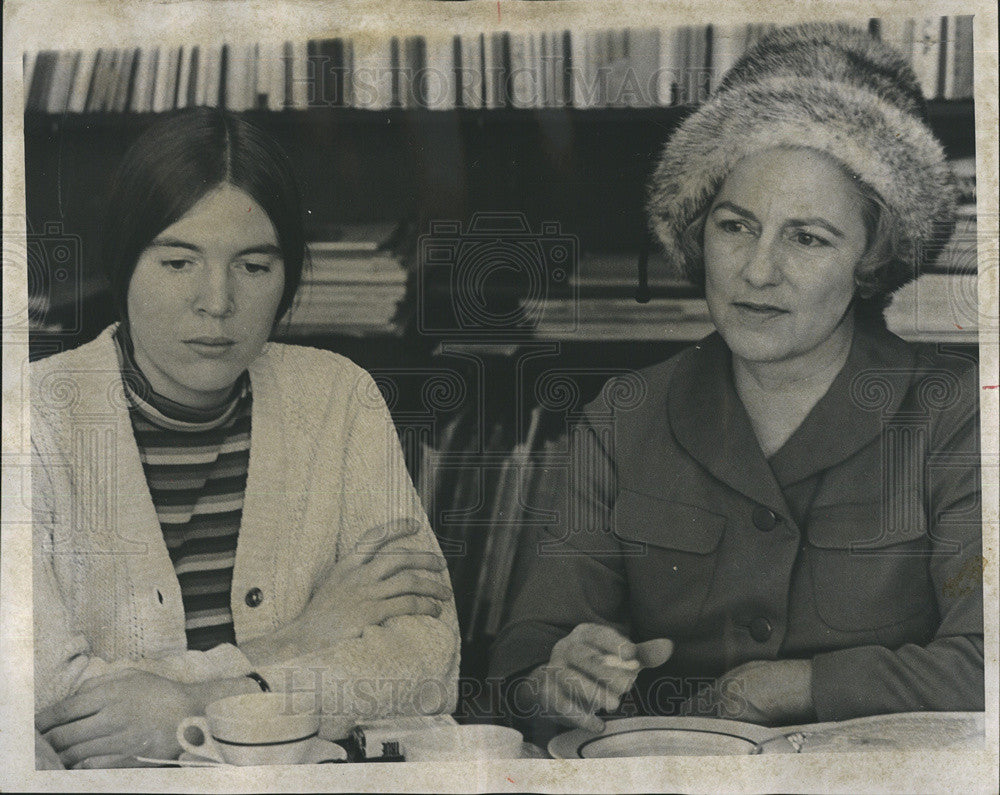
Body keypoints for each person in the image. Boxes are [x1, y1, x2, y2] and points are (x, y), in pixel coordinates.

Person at [490, 23, 983, 741]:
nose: (757, 270)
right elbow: (521, 665)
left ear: (873, 259)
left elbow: (987, 663)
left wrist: (796, 686)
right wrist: (557, 679)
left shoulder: (957, 412)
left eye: (807, 237)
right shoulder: (624, 415)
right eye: (735, 226)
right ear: (697, 231)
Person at [32, 108, 459, 768]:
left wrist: (198, 704)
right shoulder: (28, 420)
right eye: (178, 261)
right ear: (122, 263)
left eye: (254, 266)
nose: (217, 301)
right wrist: (303, 638)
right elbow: (50, 701)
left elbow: (427, 664)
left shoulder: (339, 398)